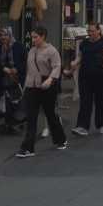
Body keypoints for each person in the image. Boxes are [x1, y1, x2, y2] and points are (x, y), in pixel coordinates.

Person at [16, 26, 68, 158]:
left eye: (36, 37)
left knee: (50, 115)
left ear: (43, 36)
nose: (33, 40)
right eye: (32, 37)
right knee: (31, 117)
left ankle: (61, 139)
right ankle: (28, 148)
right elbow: (29, 70)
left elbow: (57, 67)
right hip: (32, 87)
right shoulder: (32, 51)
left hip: (46, 87)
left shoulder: (52, 51)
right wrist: (26, 87)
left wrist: (50, 79)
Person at [70, 23, 103, 137]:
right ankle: (82, 127)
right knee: (85, 101)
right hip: (85, 76)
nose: (90, 33)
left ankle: (101, 125)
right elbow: (80, 56)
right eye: (88, 31)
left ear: (98, 31)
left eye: (92, 31)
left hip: (102, 77)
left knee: (101, 100)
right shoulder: (85, 43)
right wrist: (74, 63)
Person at [0, 27, 26, 134]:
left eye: (5, 35)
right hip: (0, 79)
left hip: (15, 80)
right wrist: (3, 68)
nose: (3, 37)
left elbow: (25, 62)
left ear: (10, 35)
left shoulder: (18, 46)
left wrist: (16, 69)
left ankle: (12, 125)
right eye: (0, 36)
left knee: (13, 103)